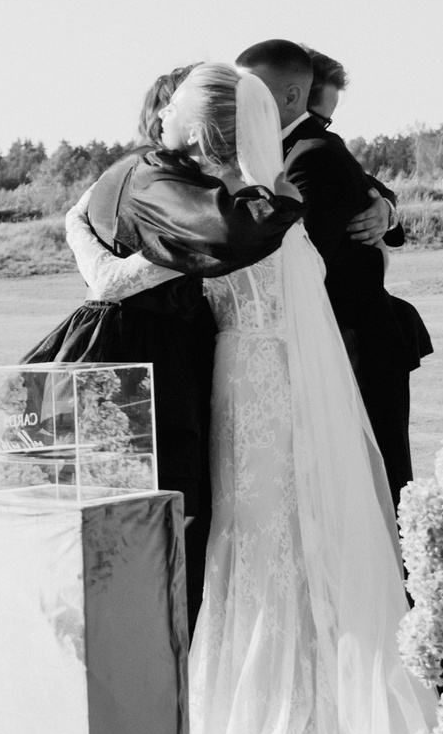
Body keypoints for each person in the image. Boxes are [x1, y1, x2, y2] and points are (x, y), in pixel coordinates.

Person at [179, 64, 435, 734]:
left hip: (257, 390)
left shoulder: (246, 215)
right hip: (250, 390)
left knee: (268, 548)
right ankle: (266, 726)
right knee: (255, 549)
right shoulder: (260, 207)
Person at [34, 62, 303, 624]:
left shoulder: (151, 173)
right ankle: (152, 640)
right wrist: (274, 204)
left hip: (154, 345)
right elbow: (224, 234)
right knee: (161, 506)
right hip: (146, 353)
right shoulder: (154, 176)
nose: (161, 115)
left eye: (172, 105)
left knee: (152, 509)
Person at [250, 41, 429, 507]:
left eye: (325, 119)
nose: (322, 126)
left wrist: (385, 208)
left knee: (377, 484)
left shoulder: (311, 151)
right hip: (339, 337)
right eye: (317, 113)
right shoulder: (281, 148)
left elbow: (305, 259)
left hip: (354, 344)